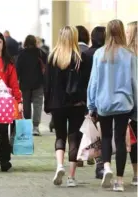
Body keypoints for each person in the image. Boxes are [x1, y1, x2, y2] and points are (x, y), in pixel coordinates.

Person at [87, 19, 137, 192]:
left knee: (106, 137)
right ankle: (120, 181)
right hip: (124, 103)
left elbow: (93, 82)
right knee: (121, 140)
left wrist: (91, 105)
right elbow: (134, 82)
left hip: (104, 102)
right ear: (122, 32)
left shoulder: (99, 54)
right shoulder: (130, 55)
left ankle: (107, 166)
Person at [44, 26, 89, 187]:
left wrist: (47, 104)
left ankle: (59, 165)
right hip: (76, 104)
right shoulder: (80, 58)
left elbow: (47, 84)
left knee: (60, 136)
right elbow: (85, 84)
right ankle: (71, 177)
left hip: (57, 104)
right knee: (74, 138)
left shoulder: (52, 57)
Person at [0, 32, 23, 172]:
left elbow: (14, 84)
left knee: (3, 132)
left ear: (3, 44)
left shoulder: (9, 62)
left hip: (4, 102)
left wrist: (19, 101)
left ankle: (5, 160)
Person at [82, 26, 106, 178]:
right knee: (105, 133)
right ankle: (102, 164)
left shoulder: (85, 54)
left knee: (94, 133)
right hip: (104, 98)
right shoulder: (106, 54)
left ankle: (97, 161)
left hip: (89, 98)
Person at [16, 35, 45, 136]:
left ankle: (28, 124)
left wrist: (17, 80)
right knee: (38, 105)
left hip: (25, 84)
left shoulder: (21, 54)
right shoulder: (40, 53)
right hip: (39, 83)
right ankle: (36, 127)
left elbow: (17, 69)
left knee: (26, 104)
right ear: (35, 42)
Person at [76, 25, 94, 167]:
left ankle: (78, 154)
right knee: (90, 124)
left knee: (76, 126)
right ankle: (89, 153)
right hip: (90, 94)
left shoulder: (72, 52)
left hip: (75, 96)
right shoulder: (90, 53)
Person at [126, 21, 137, 186]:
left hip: (130, 102)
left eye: (128, 32)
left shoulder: (126, 55)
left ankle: (136, 174)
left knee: (134, 139)